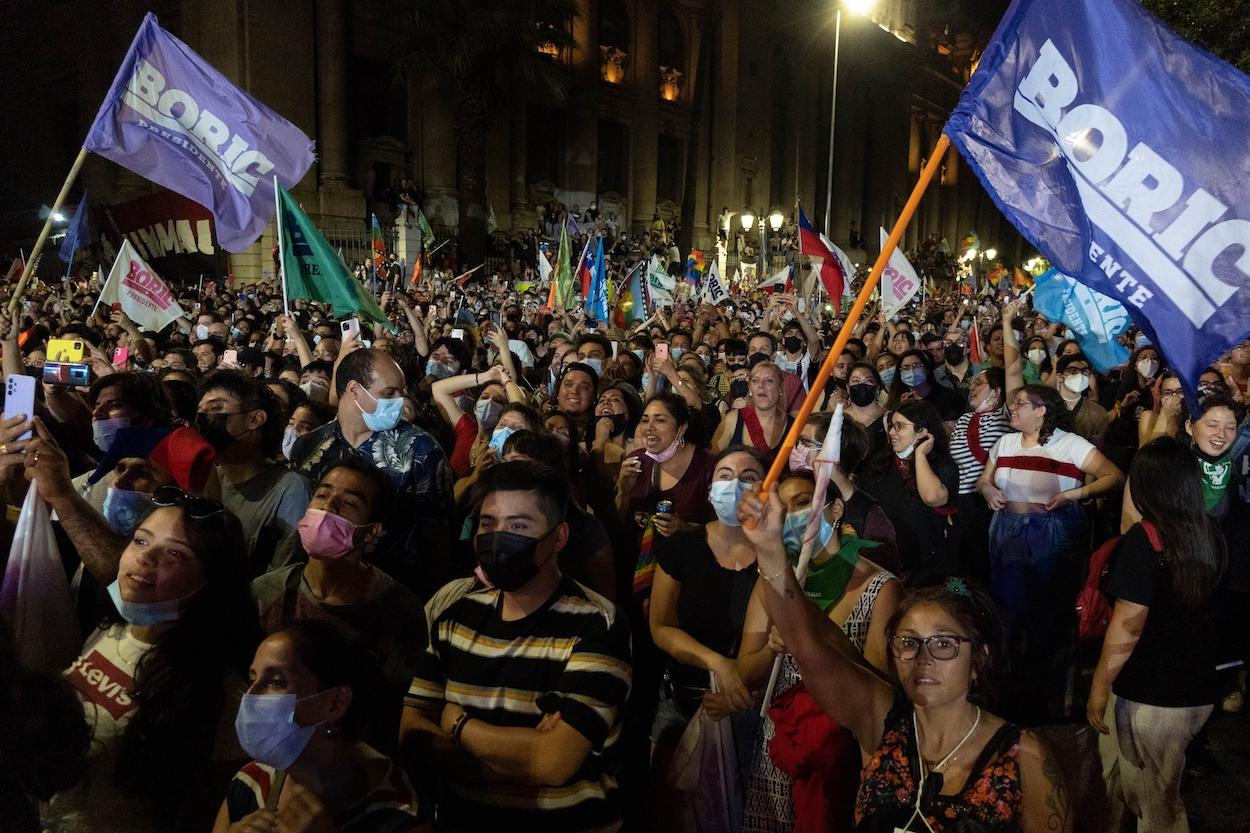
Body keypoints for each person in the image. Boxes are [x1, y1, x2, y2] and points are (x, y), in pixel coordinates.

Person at [738, 485, 1072, 832]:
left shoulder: (1022, 757)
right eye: (908, 642)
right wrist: (771, 550)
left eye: (943, 644)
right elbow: (805, 644)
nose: (923, 658)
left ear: (979, 657)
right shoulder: (882, 723)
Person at [400, 460, 632, 833]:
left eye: (518, 526)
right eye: (488, 524)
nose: (498, 537)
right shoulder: (455, 614)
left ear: (559, 537)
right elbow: (412, 733)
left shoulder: (597, 624)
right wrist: (516, 758)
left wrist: (457, 723)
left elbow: (553, 762)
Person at [48, 488, 258, 833]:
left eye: (174, 553)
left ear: (211, 580)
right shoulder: (113, 628)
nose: (145, 559)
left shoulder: (220, 690)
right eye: (141, 541)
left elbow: (206, 811)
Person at [738, 470, 901, 833]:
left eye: (804, 503)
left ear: (835, 509)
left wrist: (809, 635)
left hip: (839, 752)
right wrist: (772, 646)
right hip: (780, 747)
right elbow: (746, 676)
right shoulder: (773, 583)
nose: (793, 516)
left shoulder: (880, 587)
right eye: (785, 507)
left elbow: (879, 691)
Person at [1089, 438, 1226, 833]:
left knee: (1157, 806)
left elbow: (1127, 625)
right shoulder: (1209, 532)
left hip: (1151, 695)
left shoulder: (1145, 542)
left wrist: (1099, 685)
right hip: (1195, 689)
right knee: (1142, 788)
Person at [251, 457, 426, 748]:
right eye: (322, 494)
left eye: (349, 503)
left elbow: (391, 709)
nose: (327, 507)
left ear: (372, 531)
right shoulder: (265, 592)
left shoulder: (399, 609)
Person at [977, 384, 1123, 721]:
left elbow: (1113, 476)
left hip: (1052, 537)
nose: (1013, 409)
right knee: (1009, 615)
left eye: (1021, 404)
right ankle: (1010, 693)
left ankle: (1051, 699)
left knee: (1050, 617)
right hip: (1008, 534)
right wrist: (987, 490)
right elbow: (985, 479)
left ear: (1043, 409)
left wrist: (1075, 495)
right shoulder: (1004, 443)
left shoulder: (1070, 444)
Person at [647, 448, 768, 829]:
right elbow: (661, 626)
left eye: (748, 476)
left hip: (747, 709)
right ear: (710, 486)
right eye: (725, 474)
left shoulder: (775, 557)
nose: (735, 484)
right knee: (672, 810)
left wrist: (739, 677)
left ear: (766, 488)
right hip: (682, 702)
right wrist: (717, 663)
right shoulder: (683, 546)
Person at [214, 620, 429, 833]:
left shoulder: (398, 816)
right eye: (253, 678)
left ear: (336, 702)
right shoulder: (252, 781)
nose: (250, 696)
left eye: (276, 682)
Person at [289, 348, 453, 599]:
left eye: (401, 392)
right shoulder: (308, 446)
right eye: (389, 393)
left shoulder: (421, 449)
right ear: (355, 390)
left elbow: (438, 537)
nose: (399, 401)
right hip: (313, 587)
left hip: (391, 593)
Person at [197, 370, 312, 575]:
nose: (204, 417)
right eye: (201, 410)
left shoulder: (290, 489)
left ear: (255, 419)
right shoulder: (205, 475)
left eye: (216, 408)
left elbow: (281, 577)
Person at [857, 400, 959, 584]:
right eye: (891, 426)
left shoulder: (942, 464)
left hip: (926, 563)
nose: (891, 432)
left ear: (922, 431)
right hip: (884, 560)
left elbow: (934, 498)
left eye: (900, 426)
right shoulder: (878, 464)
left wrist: (920, 456)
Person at [947, 368, 1010, 581]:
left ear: (997, 390)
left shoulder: (1007, 416)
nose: (971, 388)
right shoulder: (964, 420)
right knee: (965, 567)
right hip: (964, 502)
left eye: (979, 383)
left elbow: (1013, 372)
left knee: (991, 565)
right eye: (972, 383)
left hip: (995, 502)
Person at [712, 362, 797, 466]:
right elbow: (711, 462)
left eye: (769, 381)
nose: (761, 386)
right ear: (750, 388)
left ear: (780, 388)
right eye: (755, 381)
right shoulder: (732, 420)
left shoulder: (794, 427)